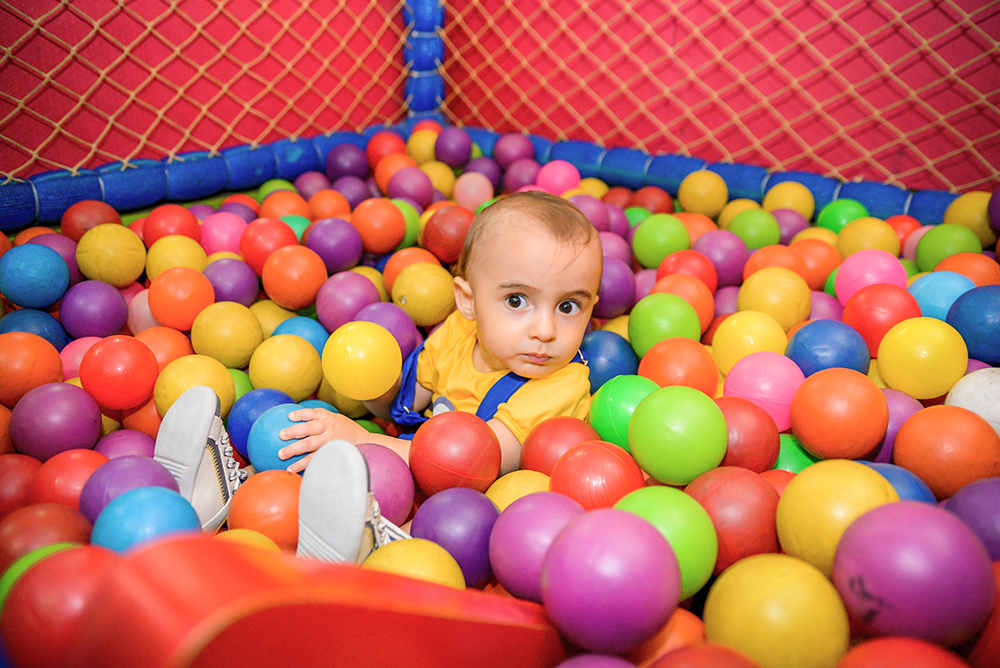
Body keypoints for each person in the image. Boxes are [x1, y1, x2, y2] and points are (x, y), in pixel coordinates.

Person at [278, 191, 604, 566]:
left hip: (480, 510)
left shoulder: (560, 384)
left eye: (568, 307)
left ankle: (357, 552)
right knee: (292, 449)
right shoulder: (458, 333)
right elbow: (402, 405)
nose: (545, 331)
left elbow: (473, 465)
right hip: (410, 469)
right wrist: (370, 388)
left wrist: (362, 438)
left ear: (591, 308)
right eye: (517, 300)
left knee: (439, 532)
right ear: (468, 301)